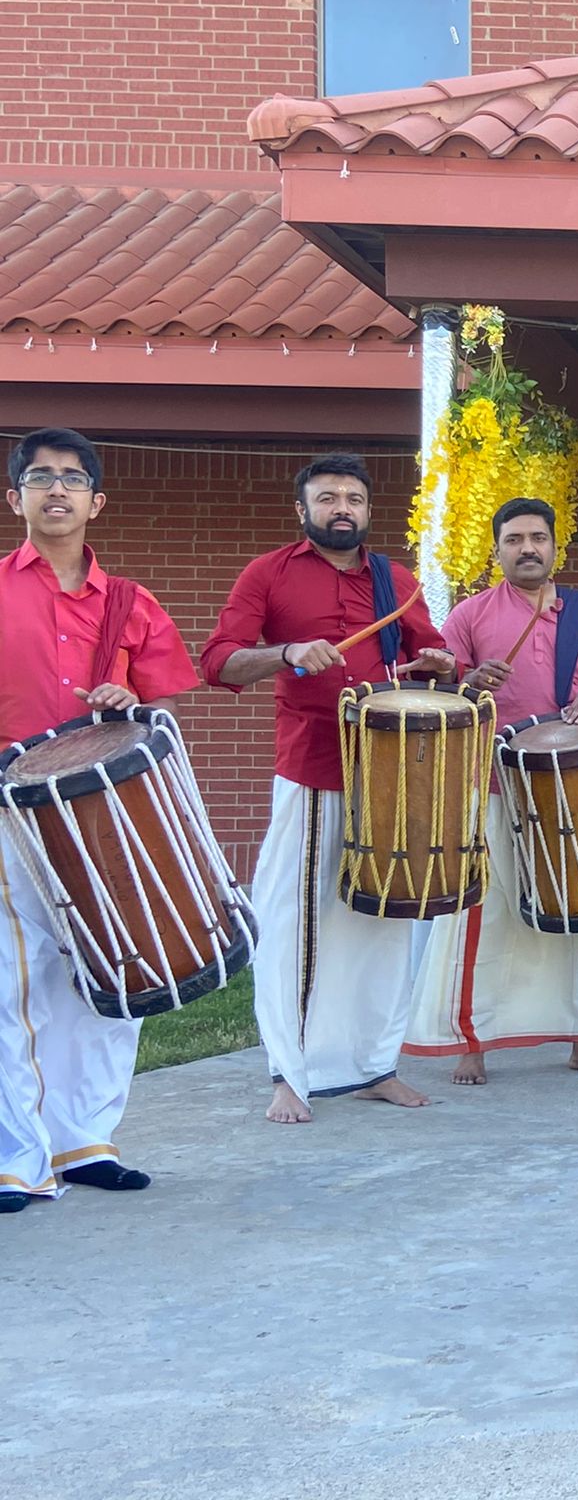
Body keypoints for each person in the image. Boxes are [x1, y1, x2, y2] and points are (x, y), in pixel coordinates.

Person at [203, 454, 453, 1124]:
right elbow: (218, 660)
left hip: (391, 775)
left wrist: (442, 666)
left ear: (369, 511)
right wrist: (286, 652)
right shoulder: (269, 573)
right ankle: (290, 1069)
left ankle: (373, 1065)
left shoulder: (393, 579)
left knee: (383, 923)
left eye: (353, 498)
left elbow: (431, 660)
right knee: (295, 923)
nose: (341, 508)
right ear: (302, 509)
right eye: (327, 497)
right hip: (311, 768)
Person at [0, 429, 199, 1211]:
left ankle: (84, 1140)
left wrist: (132, 704)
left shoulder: (131, 604)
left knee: (113, 974)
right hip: (11, 811)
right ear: (13, 497)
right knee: (15, 984)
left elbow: (161, 710)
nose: (57, 491)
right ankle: (17, 1156)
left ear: (96, 501)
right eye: (40, 478)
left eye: (72, 480)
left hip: (109, 814)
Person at [405, 498, 578, 1086]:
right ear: (497, 551)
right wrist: (464, 680)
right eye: (514, 540)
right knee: (485, 918)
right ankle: (474, 1042)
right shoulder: (469, 615)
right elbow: (437, 691)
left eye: (538, 538)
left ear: (554, 548)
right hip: (491, 785)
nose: (528, 548)